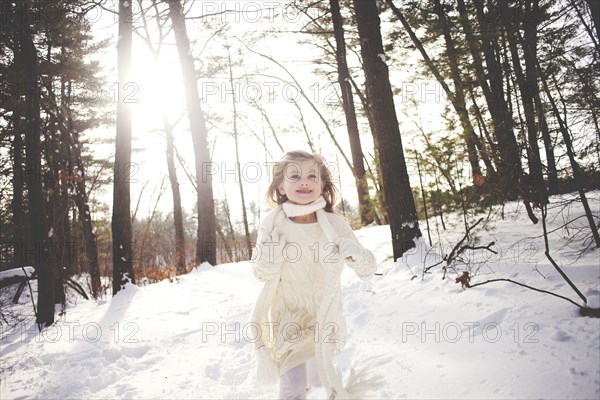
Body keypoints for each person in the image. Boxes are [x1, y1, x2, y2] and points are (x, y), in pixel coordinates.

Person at [249, 150, 378, 399]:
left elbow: (368, 270)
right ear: (281, 187)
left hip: (324, 317)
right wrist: (270, 256)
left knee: (321, 380)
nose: (304, 182)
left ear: (322, 185)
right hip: (289, 319)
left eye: (312, 176)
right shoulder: (273, 224)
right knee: (293, 385)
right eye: (294, 176)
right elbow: (260, 273)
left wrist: (357, 254)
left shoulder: (335, 225)